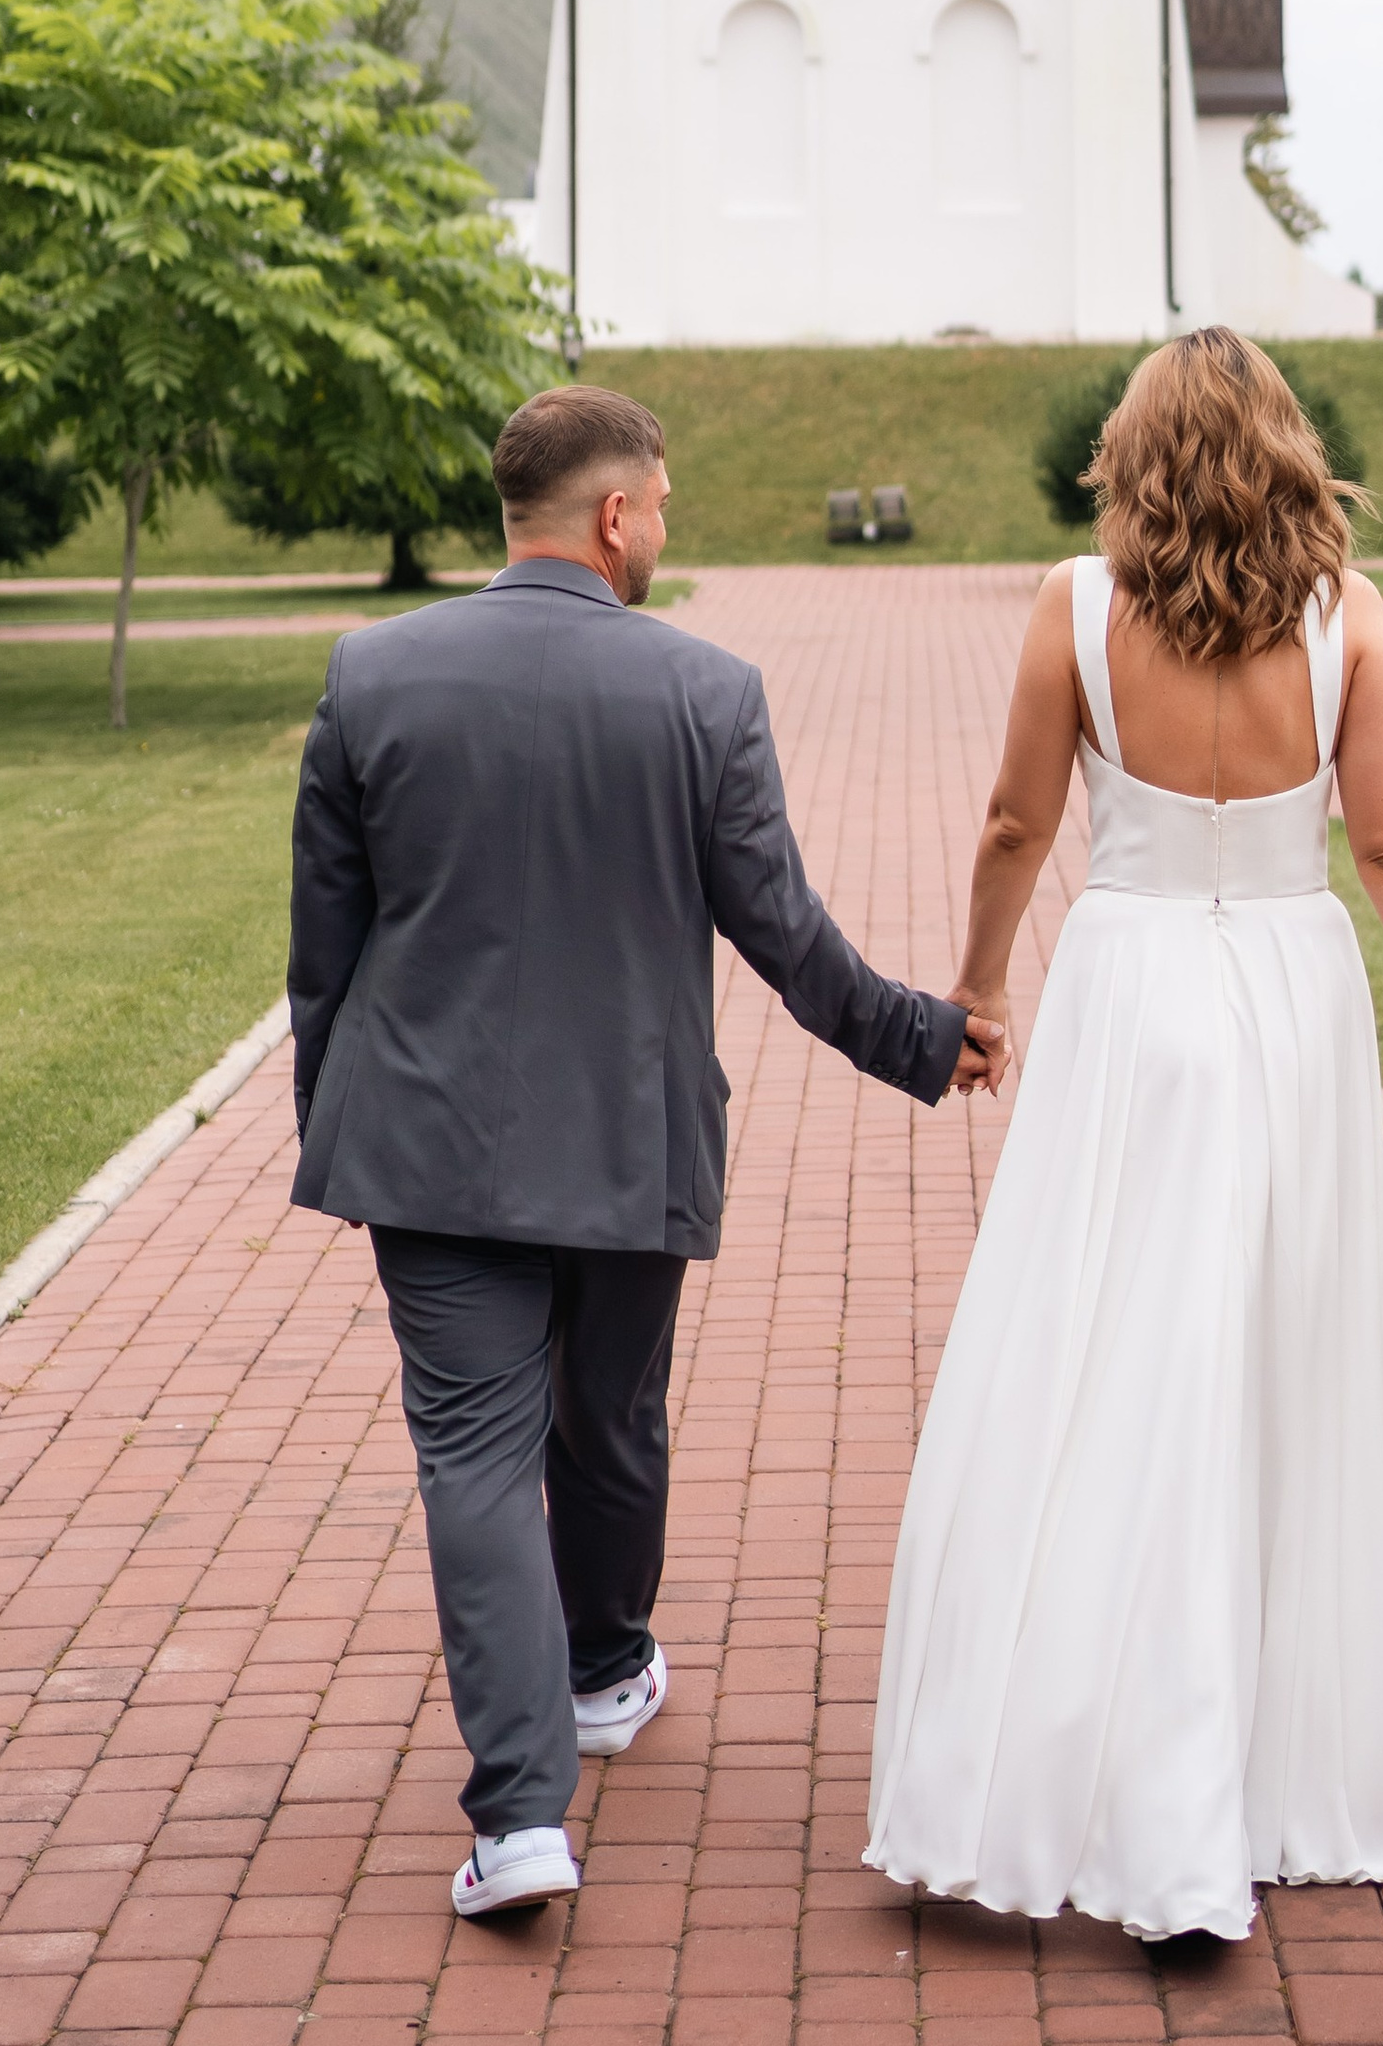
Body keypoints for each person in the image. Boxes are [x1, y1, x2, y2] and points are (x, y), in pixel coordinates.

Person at [289, 384, 999, 1920]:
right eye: (662, 507)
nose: (665, 531)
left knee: (474, 1460)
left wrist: (339, 1138)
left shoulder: (369, 675)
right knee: (610, 1424)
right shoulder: (706, 692)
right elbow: (785, 936)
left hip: (421, 1147)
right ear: (615, 517)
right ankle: (606, 1673)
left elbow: (323, 961)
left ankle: (523, 1822)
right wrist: (924, 1043)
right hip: (627, 1138)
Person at [865, 327, 1383, 1943]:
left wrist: (977, 986)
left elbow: (1020, 820)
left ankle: (1112, 1712)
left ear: (1131, 457)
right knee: (1289, 1334)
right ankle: (1280, 1710)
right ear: (1288, 447)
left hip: (1132, 993)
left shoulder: (1072, 608)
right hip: (1291, 995)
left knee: (1110, 1330)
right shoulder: (1346, 617)